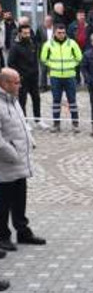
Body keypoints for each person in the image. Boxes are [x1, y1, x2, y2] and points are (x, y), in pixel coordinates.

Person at [0, 67, 47, 253]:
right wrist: (12, 153)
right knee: (3, 202)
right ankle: (2, 236)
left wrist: (30, 141)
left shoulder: (13, 99)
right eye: (16, 82)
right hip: (6, 163)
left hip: (20, 160)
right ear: (4, 83)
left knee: (20, 199)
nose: (20, 85)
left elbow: (22, 123)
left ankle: (22, 231)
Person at [40, 24, 83, 133]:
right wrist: (52, 65)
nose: (61, 34)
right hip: (55, 77)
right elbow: (43, 58)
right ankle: (56, 124)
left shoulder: (71, 43)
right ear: (55, 33)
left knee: (72, 101)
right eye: (59, 32)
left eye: (63, 32)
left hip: (69, 76)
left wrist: (71, 65)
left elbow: (79, 57)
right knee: (56, 101)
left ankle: (75, 124)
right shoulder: (48, 44)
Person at [7, 25, 46, 129]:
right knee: (22, 100)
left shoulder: (32, 44)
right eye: (25, 33)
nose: (27, 35)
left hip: (33, 77)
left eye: (28, 33)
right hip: (22, 78)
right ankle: (24, 121)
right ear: (20, 33)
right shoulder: (15, 46)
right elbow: (11, 63)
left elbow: (35, 60)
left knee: (36, 99)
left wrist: (37, 73)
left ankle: (38, 120)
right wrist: (18, 76)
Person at [36, 15, 54, 91]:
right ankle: (43, 86)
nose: (46, 23)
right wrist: (42, 46)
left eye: (48, 21)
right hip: (43, 52)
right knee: (43, 70)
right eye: (45, 21)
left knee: (53, 70)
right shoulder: (40, 28)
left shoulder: (56, 28)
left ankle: (54, 86)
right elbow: (37, 40)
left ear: (51, 22)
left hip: (54, 52)